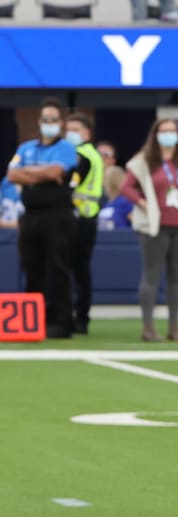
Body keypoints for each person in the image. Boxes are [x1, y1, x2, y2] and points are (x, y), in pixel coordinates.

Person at [121, 118, 178, 342]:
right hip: (154, 225)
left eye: (172, 131)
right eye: (163, 131)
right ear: (155, 135)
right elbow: (125, 187)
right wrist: (143, 203)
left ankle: (174, 327)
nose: (168, 136)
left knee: (176, 276)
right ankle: (148, 327)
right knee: (152, 275)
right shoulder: (143, 161)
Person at [6, 98, 80, 339]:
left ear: (61, 123)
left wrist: (31, 173)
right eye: (45, 119)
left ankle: (61, 321)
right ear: (39, 122)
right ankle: (33, 319)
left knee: (57, 266)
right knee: (31, 265)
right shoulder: (26, 148)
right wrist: (41, 174)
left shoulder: (67, 148)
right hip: (31, 215)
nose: (49, 123)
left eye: (54, 120)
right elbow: (12, 174)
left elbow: (56, 171)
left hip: (57, 215)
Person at [64, 113, 104, 335]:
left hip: (79, 219)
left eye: (75, 129)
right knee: (82, 271)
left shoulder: (81, 155)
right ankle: (82, 317)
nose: (70, 134)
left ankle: (78, 318)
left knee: (76, 270)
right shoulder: (94, 154)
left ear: (86, 133)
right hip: (89, 216)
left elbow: (71, 184)